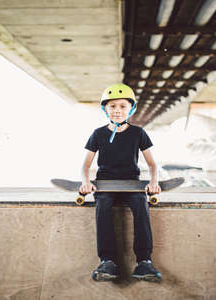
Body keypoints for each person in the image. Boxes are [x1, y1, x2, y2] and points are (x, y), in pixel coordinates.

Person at [79, 83, 163, 283]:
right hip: (105, 184)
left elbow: (152, 165)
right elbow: (85, 166)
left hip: (131, 184)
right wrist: (85, 183)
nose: (117, 111)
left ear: (131, 109)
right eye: (112, 106)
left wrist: (153, 183)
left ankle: (144, 262)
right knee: (103, 205)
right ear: (105, 109)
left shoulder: (138, 133)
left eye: (122, 106)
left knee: (141, 205)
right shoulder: (98, 134)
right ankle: (107, 261)